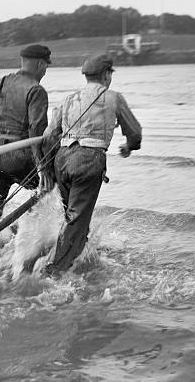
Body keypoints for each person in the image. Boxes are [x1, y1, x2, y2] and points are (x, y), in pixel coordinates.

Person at [43, 54, 142, 277]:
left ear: (87, 76)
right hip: (88, 160)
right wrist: (129, 147)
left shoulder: (69, 99)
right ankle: (55, 272)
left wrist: (49, 171)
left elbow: (49, 135)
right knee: (76, 220)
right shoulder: (113, 98)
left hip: (62, 159)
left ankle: (76, 256)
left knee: (72, 216)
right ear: (107, 75)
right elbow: (135, 132)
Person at [0, 44, 54, 226]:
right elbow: (37, 130)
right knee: (48, 188)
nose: (45, 73)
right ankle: (34, 231)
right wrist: (44, 167)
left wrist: (1, 125)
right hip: (18, 157)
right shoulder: (36, 90)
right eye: (46, 68)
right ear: (41, 65)